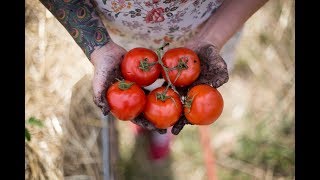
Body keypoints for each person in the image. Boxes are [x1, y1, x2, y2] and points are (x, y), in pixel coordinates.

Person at [40, 0, 268, 161]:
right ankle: (153, 120)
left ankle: (162, 131)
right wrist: (100, 48)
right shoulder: (129, 61)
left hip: (214, 27)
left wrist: (212, 39)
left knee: (179, 98)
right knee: (140, 90)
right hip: (123, 41)